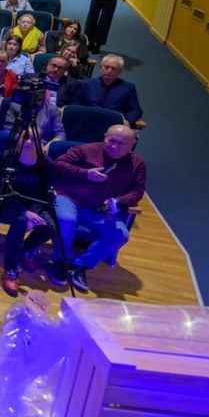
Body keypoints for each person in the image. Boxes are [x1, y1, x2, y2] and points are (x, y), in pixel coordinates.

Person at [50, 125, 146, 292]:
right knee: (66, 220)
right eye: (111, 140)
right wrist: (85, 173)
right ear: (104, 137)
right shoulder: (86, 149)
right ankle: (61, 261)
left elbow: (137, 191)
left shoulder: (138, 164)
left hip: (100, 209)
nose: (114, 146)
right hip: (70, 198)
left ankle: (80, 265)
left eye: (121, 143)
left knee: (120, 234)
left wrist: (118, 202)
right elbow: (58, 165)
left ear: (131, 145)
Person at [0, 129, 57, 296]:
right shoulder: (7, 157)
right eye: (25, 138)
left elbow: (45, 191)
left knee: (50, 226)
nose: (29, 142)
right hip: (7, 202)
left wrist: (34, 211)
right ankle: (10, 269)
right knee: (21, 222)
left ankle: (25, 249)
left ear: (40, 142)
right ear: (19, 139)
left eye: (33, 139)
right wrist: (25, 213)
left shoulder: (46, 164)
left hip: (33, 204)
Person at [73, 54, 143, 125]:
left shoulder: (128, 88)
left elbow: (136, 110)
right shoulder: (85, 84)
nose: (109, 71)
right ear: (101, 67)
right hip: (88, 123)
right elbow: (74, 104)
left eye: (114, 68)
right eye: (106, 67)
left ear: (120, 71)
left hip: (113, 126)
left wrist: (127, 120)